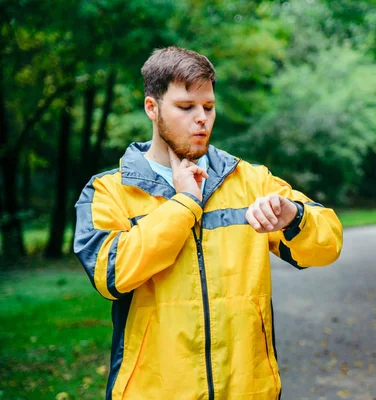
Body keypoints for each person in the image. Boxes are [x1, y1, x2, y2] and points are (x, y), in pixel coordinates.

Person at [73, 46, 343, 400]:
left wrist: (294, 215)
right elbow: (112, 274)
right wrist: (185, 203)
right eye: (186, 107)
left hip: (248, 390)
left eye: (209, 107)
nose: (201, 118)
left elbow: (327, 245)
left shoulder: (249, 179)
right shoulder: (109, 190)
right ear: (152, 108)